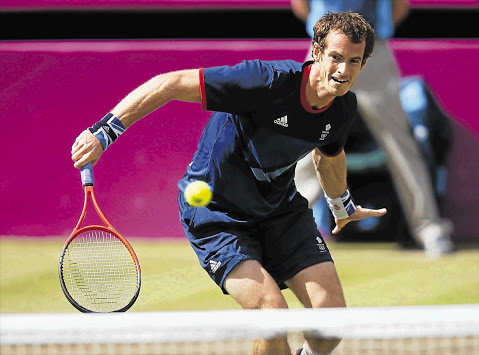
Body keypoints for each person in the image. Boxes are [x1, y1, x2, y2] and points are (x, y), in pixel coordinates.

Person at [71, 12, 386, 355]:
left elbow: (328, 154)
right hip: (216, 215)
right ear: (317, 51)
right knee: (272, 319)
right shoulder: (265, 81)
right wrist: (105, 131)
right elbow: (171, 83)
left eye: (354, 61)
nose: (343, 71)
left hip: (280, 212)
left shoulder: (342, 108)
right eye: (336, 58)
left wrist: (340, 204)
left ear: (364, 63)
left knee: (330, 328)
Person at [291, 0, 455, 258]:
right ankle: (289, 234)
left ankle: (428, 229)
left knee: (399, 145)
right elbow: (300, 5)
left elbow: (399, 6)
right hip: (325, 54)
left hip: (372, 54)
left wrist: (364, 40)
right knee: (304, 146)